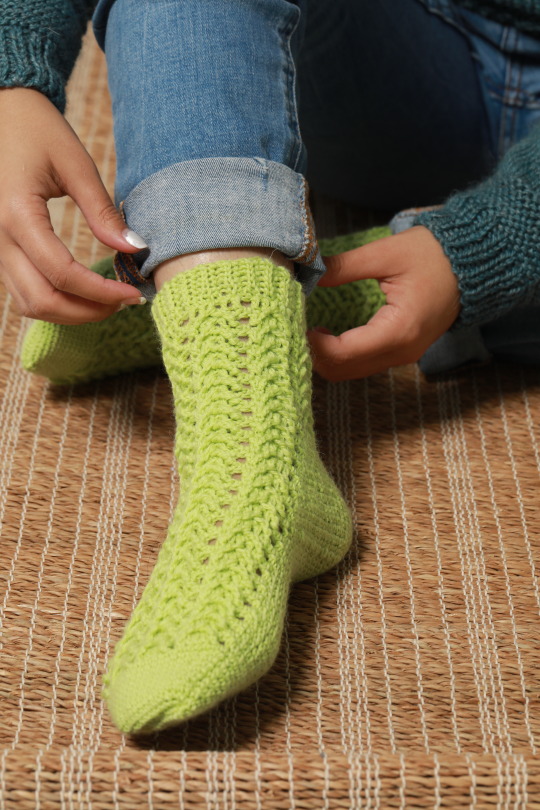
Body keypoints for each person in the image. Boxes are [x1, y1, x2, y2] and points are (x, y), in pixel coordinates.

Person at [1, 0, 540, 733]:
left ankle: (245, 302)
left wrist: (480, 248)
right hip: (408, 52)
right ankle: (251, 449)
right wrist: (13, 79)